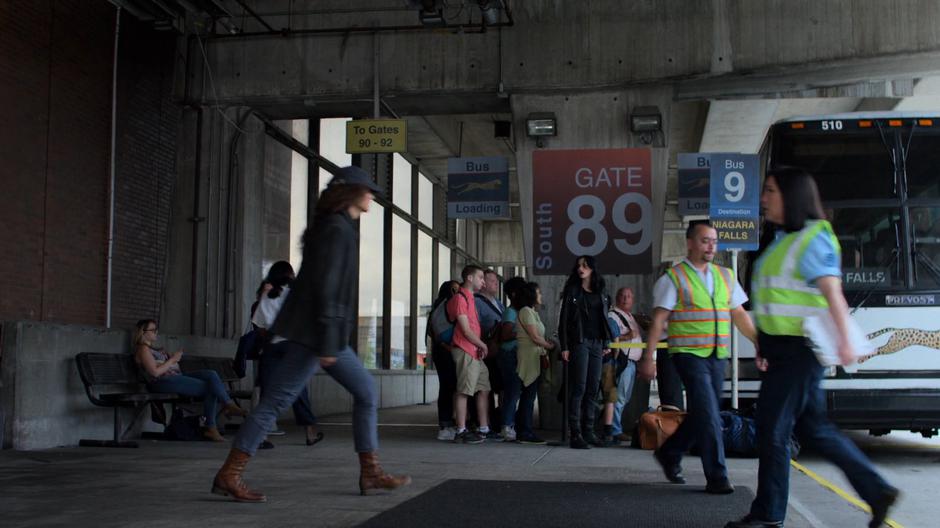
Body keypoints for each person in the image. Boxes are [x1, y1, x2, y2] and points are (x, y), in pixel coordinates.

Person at [211, 166, 410, 503]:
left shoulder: (337, 227)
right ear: (350, 193)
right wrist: (328, 341)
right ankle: (230, 474)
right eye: (368, 190)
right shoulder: (336, 230)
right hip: (315, 335)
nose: (372, 196)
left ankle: (370, 471)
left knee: (365, 393)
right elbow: (327, 287)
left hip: (318, 333)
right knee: (275, 403)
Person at [725, 167, 899, 528]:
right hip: (782, 350)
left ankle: (769, 515)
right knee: (815, 430)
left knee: (772, 430)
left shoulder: (814, 238)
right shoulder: (782, 239)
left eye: (770, 190)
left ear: (791, 196)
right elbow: (775, 302)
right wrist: (763, 343)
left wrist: (848, 340)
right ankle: (877, 490)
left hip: (800, 353)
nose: (763, 198)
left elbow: (831, 291)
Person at [638, 220, 757, 494]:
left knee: (706, 412)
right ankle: (717, 477)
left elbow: (738, 314)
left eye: (714, 240)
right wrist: (649, 357)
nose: (711, 245)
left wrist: (758, 343)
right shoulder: (674, 279)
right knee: (710, 415)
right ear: (690, 243)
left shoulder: (726, 276)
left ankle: (670, 453)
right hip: (688, 354)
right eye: (705, 240)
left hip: (717, 355)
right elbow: (658, 321)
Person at [133, 319, 246, 442]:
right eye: (153, 330)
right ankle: (212, 426)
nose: (156, 332)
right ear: (143, 332)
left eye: (156, 329)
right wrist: (172, 360)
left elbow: (164, 365)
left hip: (175, 377)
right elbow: (154, 372)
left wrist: (171, 358)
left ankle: (228, 405)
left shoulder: (153, 348)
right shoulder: (143, 349)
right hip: (162, 382)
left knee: (211, 375)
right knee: (210, 388)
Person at [251, 261, 323, 447]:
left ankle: (262, 436)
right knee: (298, 389)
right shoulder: (297, 295)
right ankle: (309, 433)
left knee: (268, 392)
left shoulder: (268, 294)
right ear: (290, 275)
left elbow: (259, 325)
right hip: (295, 348)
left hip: (272, 347)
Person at [558, 255, 615, 449]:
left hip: (597, 343)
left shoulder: (601, 291)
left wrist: (607, 340)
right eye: (579, 265)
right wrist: (564, 346)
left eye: (585, 265)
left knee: (593, 387)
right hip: (579, 342)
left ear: (592, 268)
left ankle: (589, 430)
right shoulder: (573, 291)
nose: (581, 268)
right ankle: (576, 433)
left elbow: (604, 318)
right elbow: (564, 321)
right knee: (579, 387)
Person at [448, 265, 496, 443]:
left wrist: (479, 347)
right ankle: (460, 430)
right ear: (469, 278)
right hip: (466, 349)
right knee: (464, 390)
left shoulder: (471, 298)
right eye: (481, 277)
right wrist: (483, 345)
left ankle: (484, 428)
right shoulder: (460, 298)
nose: (483, 281)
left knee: (484, 388)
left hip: (474, 351)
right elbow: (466, 331)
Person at [513, 282, 554, 444]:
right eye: (538, 292)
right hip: (528, 357)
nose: (541, 295)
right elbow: (535, 337)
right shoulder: (526, 311)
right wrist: (549, 346)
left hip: (533, 356)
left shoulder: (531, 312)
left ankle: (524, 429)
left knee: (529, 395)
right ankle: (525, 432)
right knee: (528, 396)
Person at [602, 287, 642, 444]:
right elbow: (612, 339)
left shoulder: (630, 316)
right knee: (618, 397)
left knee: (624, 397)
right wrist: (628, 336)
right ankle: (614, 430)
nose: (626, 299)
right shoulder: (613, 316)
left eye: (629, 296)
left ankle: (614, 427)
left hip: (631, 363)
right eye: (623, 296)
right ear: (617, 298)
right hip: (621, 362)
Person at [428, 280, 461, 441]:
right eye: (455, 289)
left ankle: (448, 423)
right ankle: (446, 424)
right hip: (446, 351)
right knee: (449, 387)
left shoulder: (436, 308)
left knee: (448, 387)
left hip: (441, 351)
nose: (457, 292)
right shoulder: (447, 306)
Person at [497, 276, 529, 442]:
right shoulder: (511, 312)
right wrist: (525, 333)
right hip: (509, 355)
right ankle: (507, 425)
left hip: (517, 355)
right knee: (512, 391)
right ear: (515, 293)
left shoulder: (522, 311)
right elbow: (505, 334)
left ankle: (510, 424)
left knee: (515, 391)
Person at [475, 269, 505, 431]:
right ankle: (488, 423)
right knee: (486, 389)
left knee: (500, 387)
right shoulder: (477, 302)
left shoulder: (498, 302)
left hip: (498, 351)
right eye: (492, 281)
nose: (496, 284)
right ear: (484, 283)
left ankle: (498, 420)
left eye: (496, 281)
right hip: (486, 351)